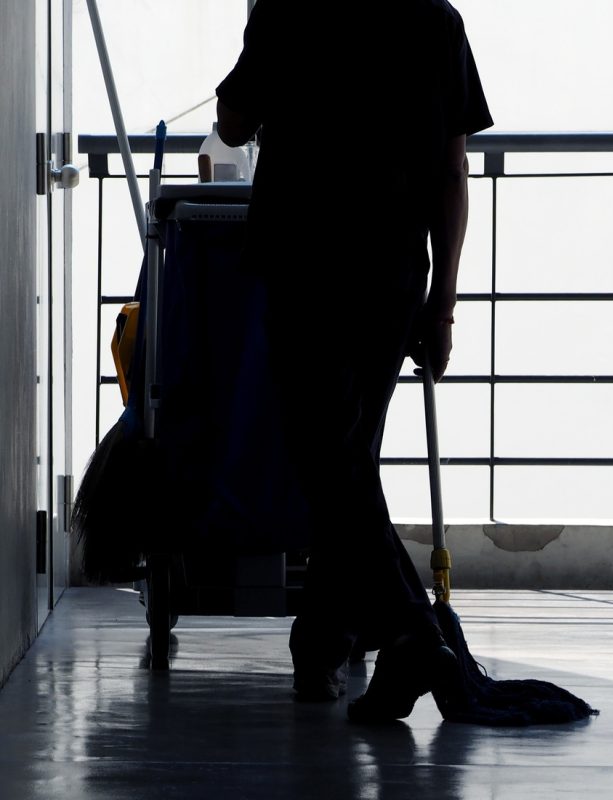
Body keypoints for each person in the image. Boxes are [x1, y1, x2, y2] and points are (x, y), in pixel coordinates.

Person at [213, 0, 493, 721]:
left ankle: (409, 635)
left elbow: (233, 125)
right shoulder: (436, 21)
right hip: (392, 273)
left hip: (303, 263)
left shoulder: (290, 9)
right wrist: (442, 304)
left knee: (329, 464)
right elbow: (452, 173)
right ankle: (327, 643)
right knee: (347, 463)